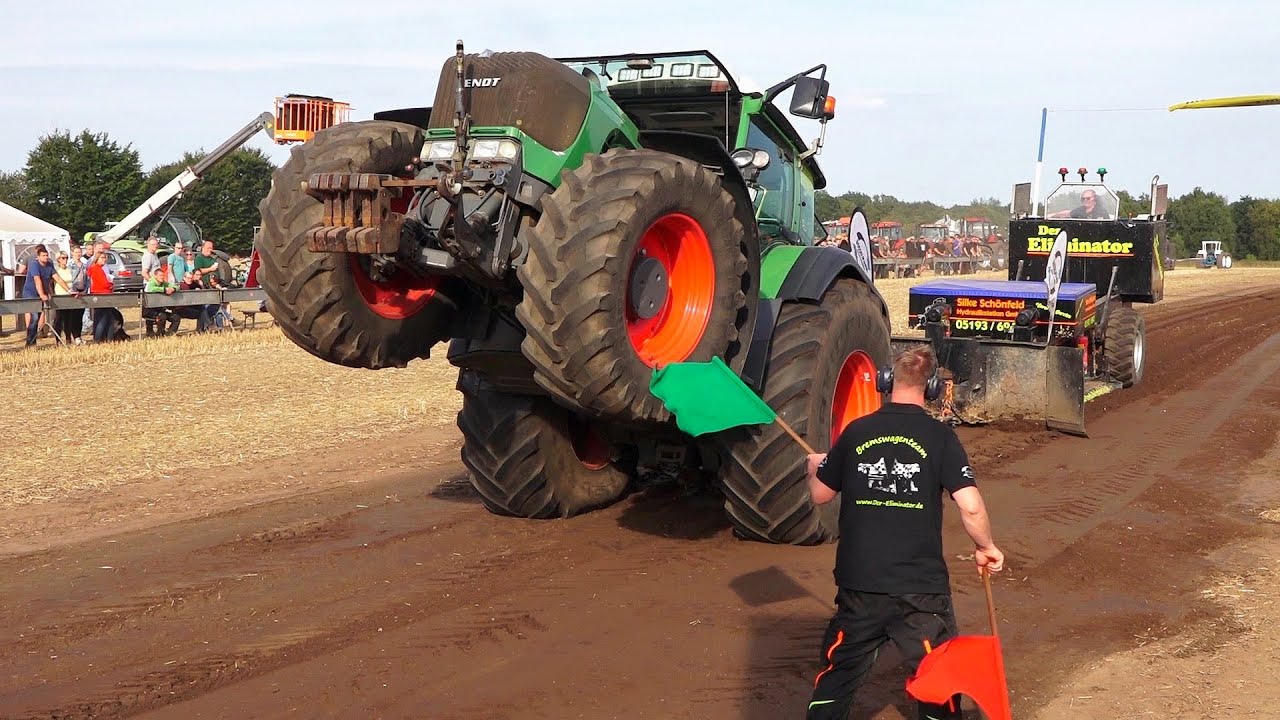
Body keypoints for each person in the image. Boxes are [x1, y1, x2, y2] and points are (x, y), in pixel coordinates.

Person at [804, 347, 1005, 720]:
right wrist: (986, 547)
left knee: (838, 676)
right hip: (920, 592)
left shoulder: (856, 431)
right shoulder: (939, 437)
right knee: (937, 681)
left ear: (886, 381)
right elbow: (971, 505)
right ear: (930, 388)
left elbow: (820, 494)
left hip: (859, 585)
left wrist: (815, 466)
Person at [21, 244, 74, 347]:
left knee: (39, 316)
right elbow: (37, 280)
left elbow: (57, 278)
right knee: (34, 318)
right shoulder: (34, 265)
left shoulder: (49, 264)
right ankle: (30, 342)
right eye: (43, 256)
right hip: (30, 293)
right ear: (38, 256)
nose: (45, 257)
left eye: (46, 255)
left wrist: (69, 290)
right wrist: (42, 294)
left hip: (42, 293)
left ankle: (31, 341)